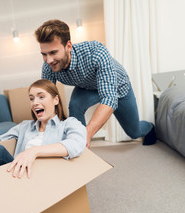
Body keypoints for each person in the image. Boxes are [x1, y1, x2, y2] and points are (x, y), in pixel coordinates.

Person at [34, 19, 156, 148]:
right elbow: (46, 100)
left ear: (68, 46)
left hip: (117, 86)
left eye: (53, 52)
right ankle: (80, 149)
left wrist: (87, 133)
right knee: (75, 105)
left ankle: (149, 128)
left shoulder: (96, 52)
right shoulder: (48, 66)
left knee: (134, 132)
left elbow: (109, 98)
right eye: (44, 54)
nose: (49, 60)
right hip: (87, 87)